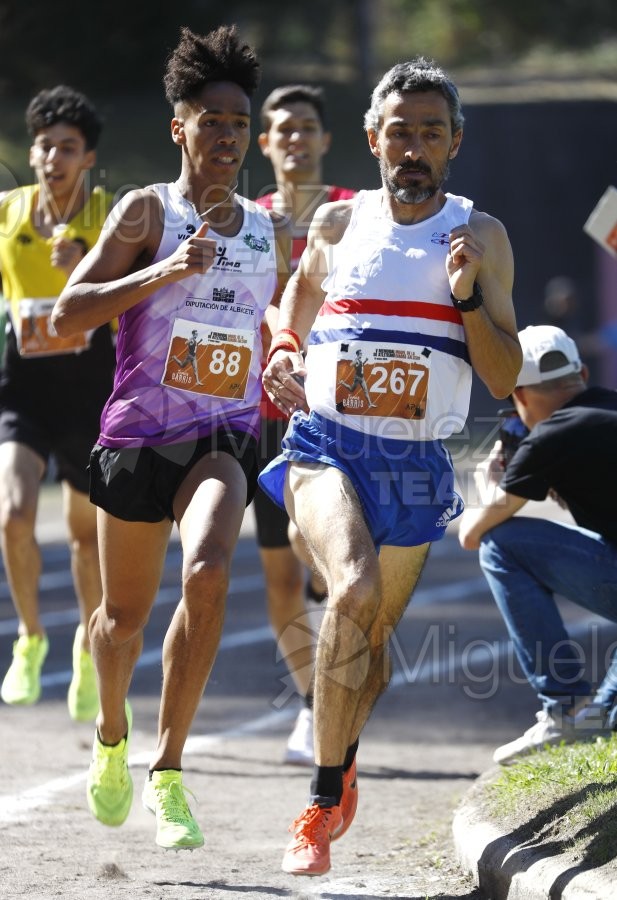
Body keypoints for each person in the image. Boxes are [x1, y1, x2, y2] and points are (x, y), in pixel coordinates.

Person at [258, 57, 521, 876]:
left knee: (366, 656)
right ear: (373, 139)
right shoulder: (338, 226)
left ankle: (340, 758)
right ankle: (319, 799)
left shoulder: (480, 235)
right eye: (399, 132)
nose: (413, 147)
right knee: (355, 590)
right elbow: (295, 301)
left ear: (454, 144)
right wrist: (284, 349)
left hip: (413, 465)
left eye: (430, 134)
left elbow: (503, 378)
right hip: (324, 444)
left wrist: (468, 295)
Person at [51, 25, 289, 850]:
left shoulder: (264, 231)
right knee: (119, 624)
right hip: (133, 441)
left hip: (218, 437)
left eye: (237, 121)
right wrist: (164, 270)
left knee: (210, 568)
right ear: (179, 127)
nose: (226, 135)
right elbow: (66, 313)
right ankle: (111, 736)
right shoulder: (147, 209)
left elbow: (275, 325)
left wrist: (284, 361)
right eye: (209, 118)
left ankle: (169, 771)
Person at [0, 85, 115, 721]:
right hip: (23, 386)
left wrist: (86, 269)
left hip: (90, 392)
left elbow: (136, 299)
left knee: (82, 539)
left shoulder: (110, 218)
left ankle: (83, 644)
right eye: (44, 146)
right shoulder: (8, 213)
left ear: (88, 156)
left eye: (67, 148)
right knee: (13, 512)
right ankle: (30, 637)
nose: (53, 158)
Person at [458, 324, 617, 765]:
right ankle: (594, 715)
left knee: (501, 543)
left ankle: (563, 704)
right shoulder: (607, 407)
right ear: (581, 373)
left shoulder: (549, 436)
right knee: (603, 721)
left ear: (520, 396)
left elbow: (473, 535)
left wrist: (488, 484)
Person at [254, 84, 355, 765]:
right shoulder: (246, 219)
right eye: (282, 129)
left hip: (342, 408)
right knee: (280, 577)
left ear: (323, 140)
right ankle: (312, 704)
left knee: (327, 557)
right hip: (265, 412)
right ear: (265, 144)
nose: (295, 139)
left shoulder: (354, 213)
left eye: (307, 127)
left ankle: (340, 692)